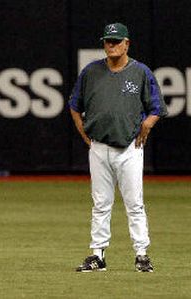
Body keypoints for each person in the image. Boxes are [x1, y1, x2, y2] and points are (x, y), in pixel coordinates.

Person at [69, 22, 167, 272]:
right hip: (99, 146)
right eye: (107, 41)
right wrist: (84, 134)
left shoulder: (140, 72)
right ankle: (97, 255)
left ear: (127, 44)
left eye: (116, 41)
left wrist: (147, 125)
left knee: (134, 203)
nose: (111, 45)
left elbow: (156, 107)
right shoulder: (91, 71)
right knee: (101, 203)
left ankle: (142, 254)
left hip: (129, 147)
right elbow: (74, 104)